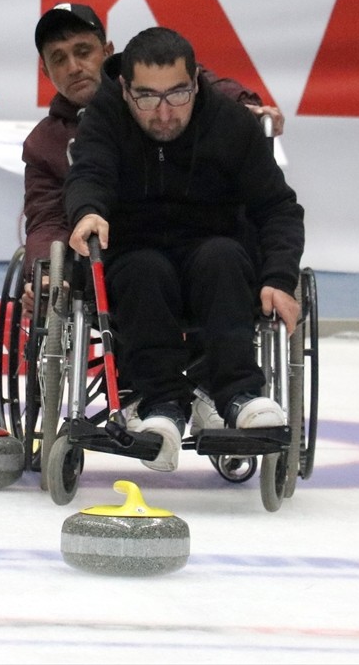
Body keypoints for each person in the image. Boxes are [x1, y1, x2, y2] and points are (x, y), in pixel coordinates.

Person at [63, 26, 305, 472]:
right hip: (135, 251)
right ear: (125, 88)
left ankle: (237, 393)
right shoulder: (105, 115)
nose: (164, 113)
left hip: (211, 248)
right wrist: (88, 212)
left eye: (177, 95)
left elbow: (278, 208)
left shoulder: (231, 124)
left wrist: (279, 279)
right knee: (144, 270)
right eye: (147, 98)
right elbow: (89, 173)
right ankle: (160, 404)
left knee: (225, 257)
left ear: (196, 81)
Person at [22, 3, 283, 301]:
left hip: (200, 247)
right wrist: (45, 275)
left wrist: (242, 102)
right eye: (59, 59)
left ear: (107, 52)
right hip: (118, 265)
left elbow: (189, 81)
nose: (73, 67)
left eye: (83, 52)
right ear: (45, 70)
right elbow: (47, 219)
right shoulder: (44, 143)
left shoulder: (153, 102)